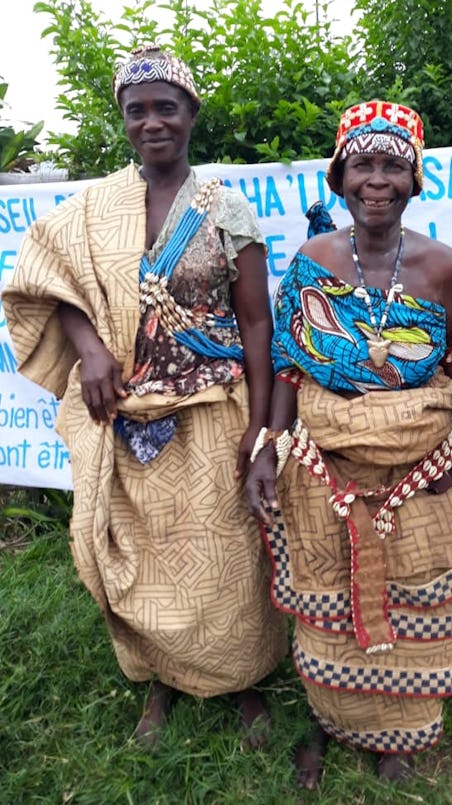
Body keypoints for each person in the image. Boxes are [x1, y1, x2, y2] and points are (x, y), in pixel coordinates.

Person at [3, 45, 287, 746]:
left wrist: (261, 433)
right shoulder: (95, 207)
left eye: (167, 107)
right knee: (145, 555)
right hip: (128, 418)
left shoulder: (227, 209)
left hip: (214, 412)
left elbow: (257, 321)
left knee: (227, 555)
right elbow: (49, 276)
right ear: (124, 122)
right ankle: (162, 679)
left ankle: (243, 680)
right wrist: (91, 348)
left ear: (191, 114)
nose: (152, 122)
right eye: (138, 111)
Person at [244, 100, 452, 787]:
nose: (377, 179)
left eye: (393, 165)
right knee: (328, 602)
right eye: (362, 164)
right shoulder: (311, 262)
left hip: (415, 472)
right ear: (339, 177)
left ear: (414, 178)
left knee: (411, 600)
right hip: (324, 469)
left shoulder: (440, 266)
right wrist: (266, 445)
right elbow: (287, 362)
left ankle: (394, 731)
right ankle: (326, 717)